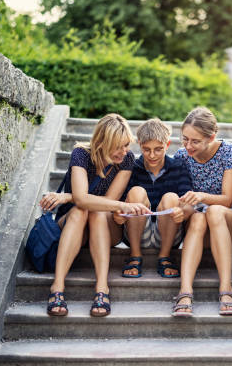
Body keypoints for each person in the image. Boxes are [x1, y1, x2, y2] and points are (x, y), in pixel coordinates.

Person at [39, 113, 151, 317]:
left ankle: (102, 288)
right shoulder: (81, 154)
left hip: (104, 227)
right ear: (103, 141)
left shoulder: (126, 160)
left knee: (97, 212)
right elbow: (82, 200)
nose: (124, 151)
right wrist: (74, 198)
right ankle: (57, 287)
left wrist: (67, 196)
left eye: (126, 145)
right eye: (118, 145)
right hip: (75, 225)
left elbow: (108, 202)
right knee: (81, 210)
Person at [171, 107, 232, 317]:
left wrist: (201, 196)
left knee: (213, 212)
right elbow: (183, 197)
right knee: (197, 218)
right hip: (199, 229)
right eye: (185, 139)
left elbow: (228, 199)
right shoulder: (182, 156)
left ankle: (226, 289)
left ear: (211, 137)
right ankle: (185, 291)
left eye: (195, 141)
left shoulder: (229, 151)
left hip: (227, 227)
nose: (188, 146)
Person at [113, 118, 194, 278]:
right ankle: (135, 255)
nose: (152, 155)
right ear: (139, 145)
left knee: (172, 198)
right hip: (137, 231)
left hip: (169, 232)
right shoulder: (133, 167)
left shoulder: (179, 166)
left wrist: (183, 211)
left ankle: (165, 256)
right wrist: (118, 213)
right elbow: (120, 202)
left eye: (158, 149)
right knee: (136, 192)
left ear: (167, 145)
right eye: (146, 149)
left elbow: (189, 203)